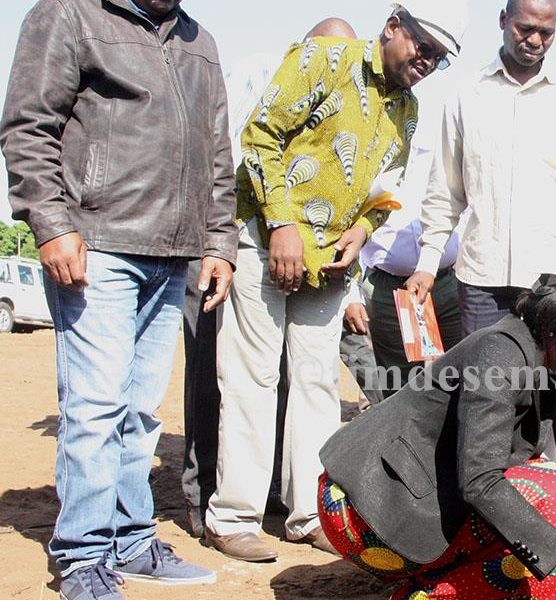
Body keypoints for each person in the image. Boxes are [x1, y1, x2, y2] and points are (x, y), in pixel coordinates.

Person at [203, 1, 469, 563]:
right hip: (265, 240)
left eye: (439, 59)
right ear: (394, 25)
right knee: (252, 378)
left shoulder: (409, 109)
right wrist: (280, 223)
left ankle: (309, 514)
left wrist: (362, 229)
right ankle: (233, 516)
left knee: (317, 383)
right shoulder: (326, 59)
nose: (426, 62)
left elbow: (387, 187)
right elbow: (259, 134)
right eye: (423, 47)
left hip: (329, 263)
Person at [1, 0, 236, 597]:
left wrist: (220, 243)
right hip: (97, 245)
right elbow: (29, 125)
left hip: (173, 250)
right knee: (95, 407)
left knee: (140, 413)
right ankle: (82, 554)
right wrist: (51, 223)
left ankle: (130, 541)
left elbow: (217, 155)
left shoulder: (199, 41)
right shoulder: (68, 13)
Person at [318, 235, 556, 600]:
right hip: (365, 506)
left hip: (406, 492)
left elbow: (521, 462)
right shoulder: (499, 354)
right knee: (553, 497)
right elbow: (481, 482)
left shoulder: (537, 359)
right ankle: (432, 592)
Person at [406, 0, 556, 520]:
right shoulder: (466, 95)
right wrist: (425, 261)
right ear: (503, 21)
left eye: (546, 32)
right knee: (490, 410)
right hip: (485, 285)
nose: (535, 40)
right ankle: (490, 528)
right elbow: (445, 194)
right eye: (526, 28)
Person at [181, 15, 360, 541]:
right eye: (328, 55)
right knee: (232, 380)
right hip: (239, 241)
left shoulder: (356, 101)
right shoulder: (258, 75)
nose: (336, 67)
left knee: (310, 383)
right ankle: (219, 507)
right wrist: (232, 241)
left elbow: (352, 193)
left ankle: (305, 510)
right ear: (305, 50)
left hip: (316, 263)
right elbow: (226, 158)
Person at [340, 147, 465, 399]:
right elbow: (343, 225)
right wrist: (350, 295)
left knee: (462, 375)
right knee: (401, 387)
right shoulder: (363, 158)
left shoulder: (441, 157)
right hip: (389, 289)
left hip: (447, 282)